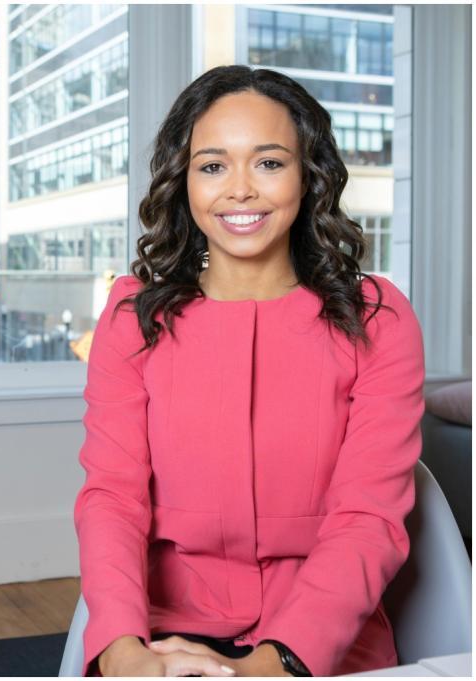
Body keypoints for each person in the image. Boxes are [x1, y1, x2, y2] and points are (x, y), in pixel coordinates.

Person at [73, 65, 425, 677]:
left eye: (268, 162)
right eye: (213, 165)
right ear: (184, 182)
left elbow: (368, 517)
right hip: (165, 632)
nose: (240, 189)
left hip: (323, 642)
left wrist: (276, 662)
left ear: (308, 176)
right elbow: (112, 498)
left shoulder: (380, 318)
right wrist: (124, 650)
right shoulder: (133, 318)